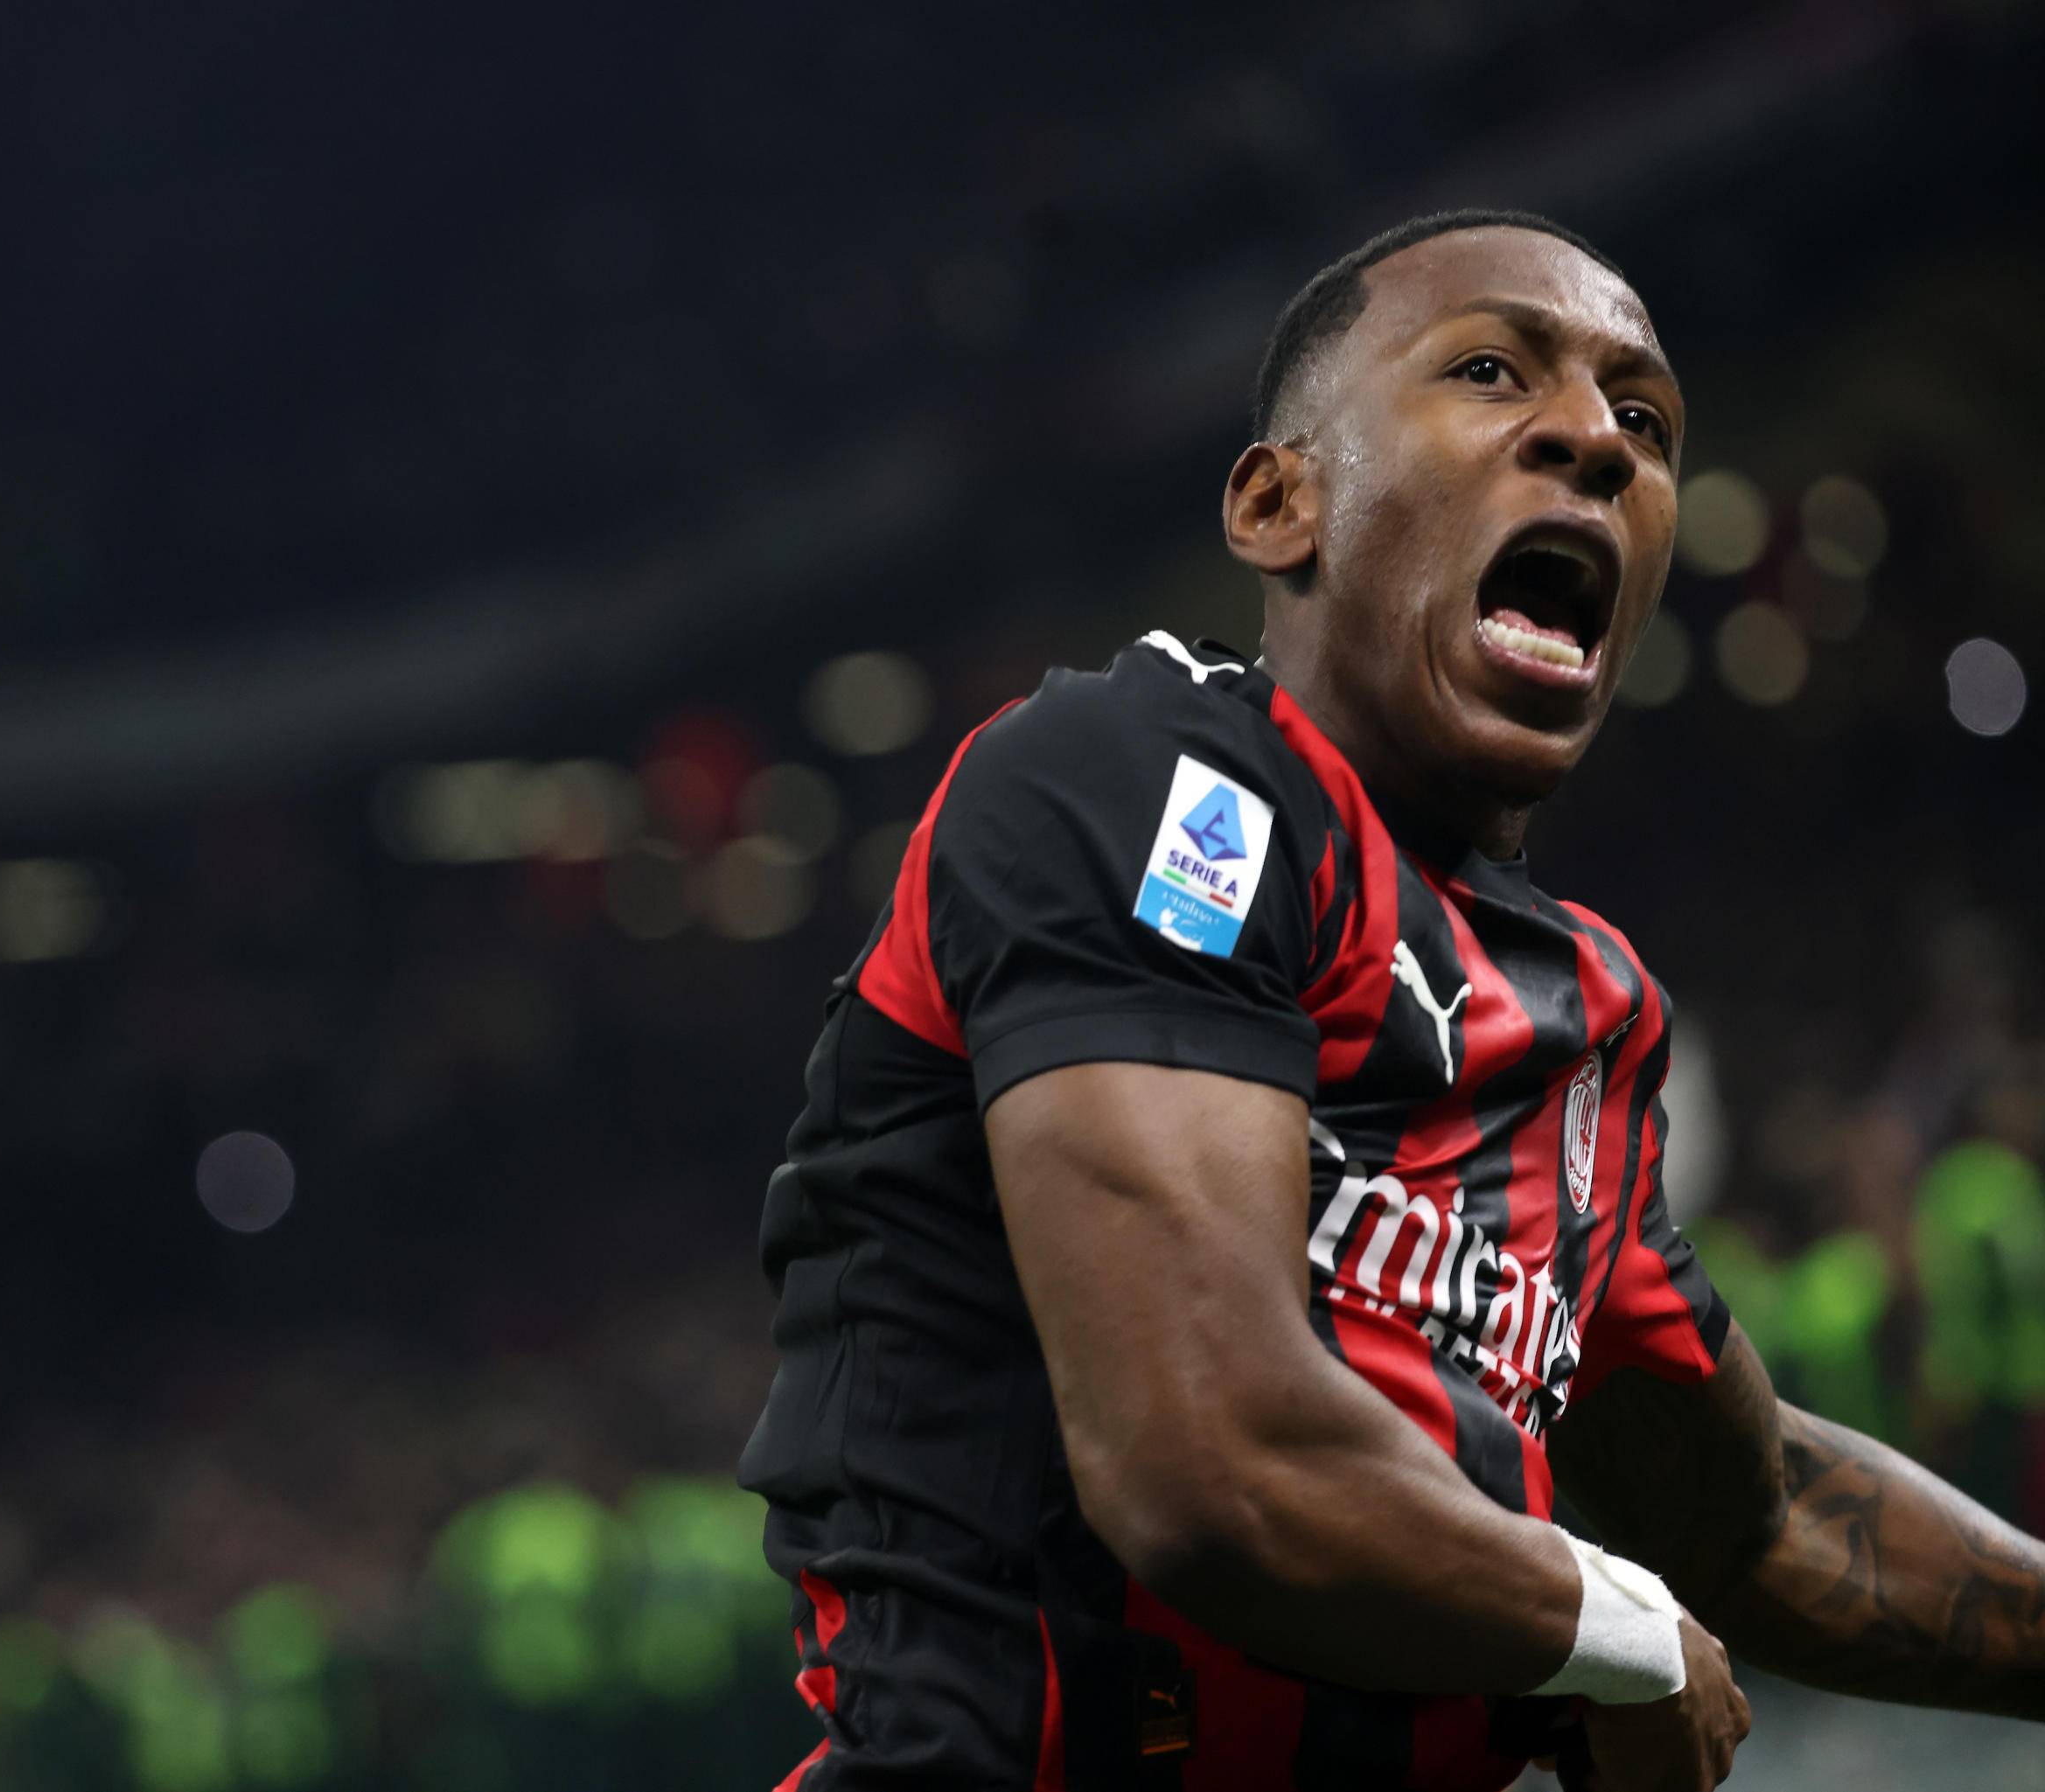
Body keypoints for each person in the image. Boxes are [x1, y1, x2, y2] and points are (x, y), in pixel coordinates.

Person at [736, 210, 2045, 1792]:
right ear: (1277, 503)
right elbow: (1206, 1451)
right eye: (1492, 371)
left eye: (1645, 421)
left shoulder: (1587, 1016)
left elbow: (1762, 1516)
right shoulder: (1146, 782)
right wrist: (1612, 1622)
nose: (1597, 439)